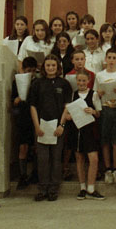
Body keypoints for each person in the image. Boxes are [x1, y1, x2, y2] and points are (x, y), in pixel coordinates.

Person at [28, 54, 73, 202]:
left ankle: (53, 189)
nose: (51, 68)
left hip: (57, 127)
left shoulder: (64, 84)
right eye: (48, 65)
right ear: (44, 67)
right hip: (41, 126)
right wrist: (36, 126)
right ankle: (42, 189)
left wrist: (62, 125)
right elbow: (33, 106)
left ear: (58, 67)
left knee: (56, 159)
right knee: (42, 159)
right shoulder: (37, 83)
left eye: (53, 65)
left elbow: (67, 106)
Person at [69, 69, 105, 200]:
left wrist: (93, 111)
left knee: (93, 159)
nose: (81, 83)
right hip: (77, 130)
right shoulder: (73, 95)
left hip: (90, 130)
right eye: (79, 80)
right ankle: (82, 187)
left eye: (84, 80)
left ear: (88, 81)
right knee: (79, 158)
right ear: (76, 81)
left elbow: (99, 113)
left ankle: (91, 188)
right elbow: (68, 112)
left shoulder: (93, 94)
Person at [94, 48, 116, 184]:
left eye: (114, 58)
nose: (111, 60)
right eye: (109, 58)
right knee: (105, 140)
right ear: (105, 59)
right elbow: (95, 94)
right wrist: (99, 94)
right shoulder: (100, 75)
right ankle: (108, 169)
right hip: (105, 108)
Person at [12, 57, 38, 189]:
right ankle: (22, 175)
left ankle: (35, 172)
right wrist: (16, 100)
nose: (31, 73)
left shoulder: (37, 82)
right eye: (28, 70)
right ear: (23, 70)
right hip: (23, 116)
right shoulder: (16, 81)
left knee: (36, 146)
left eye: (33, 71)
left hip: (35, 116)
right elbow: (12, 100)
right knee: (23, 146)